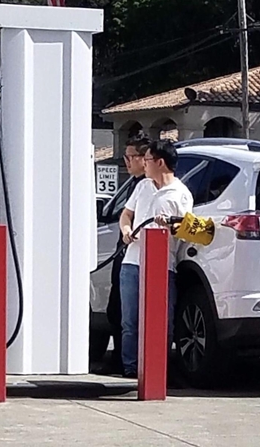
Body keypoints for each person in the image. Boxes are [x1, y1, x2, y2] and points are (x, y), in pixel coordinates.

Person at [118, 140, 193, 379]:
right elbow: (126, 214)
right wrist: (126, 230)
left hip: (162, 265)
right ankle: (131, 368)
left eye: (147, 160)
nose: (144, 164)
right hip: (132, 261)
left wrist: (170, 226)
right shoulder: (142, 186)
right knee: (130, 320)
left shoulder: (181, 194)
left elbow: (185, 230)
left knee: (161, 320)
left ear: (160, 162)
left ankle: (156, 369)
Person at [98, 133, 150, 376]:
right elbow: (123, 214)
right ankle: (121, 358)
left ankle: (127, 361)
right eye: (126, 157)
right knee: (117, 309)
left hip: (139, 255)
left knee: (126, 312)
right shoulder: (134, 184)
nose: (127, 162)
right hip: (125, 253)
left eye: (130, 157)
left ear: (145, 158)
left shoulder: (147, 185)